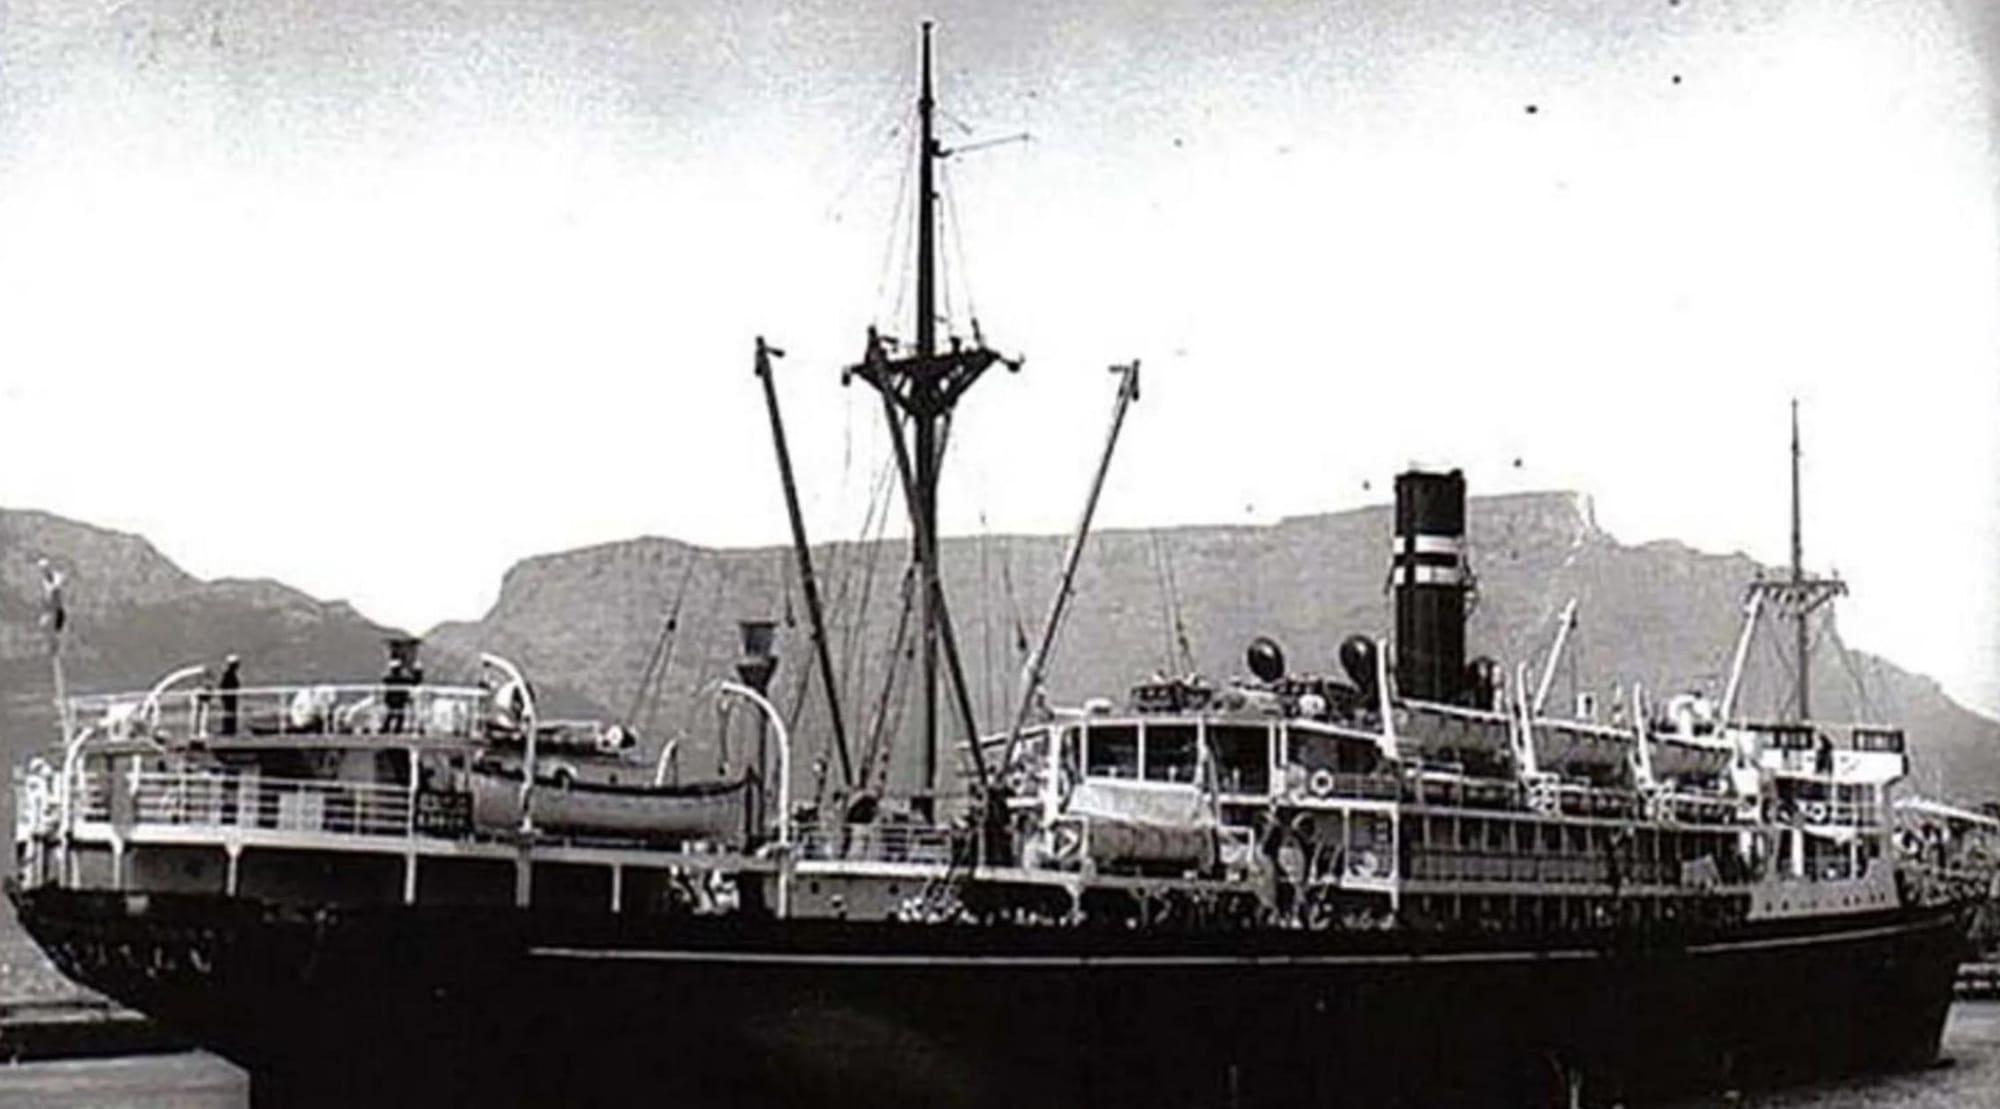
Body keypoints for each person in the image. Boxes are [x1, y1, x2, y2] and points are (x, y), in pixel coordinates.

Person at [382, 657, 412, 735]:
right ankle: (396, 729)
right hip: (399, 699)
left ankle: (386, 728)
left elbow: (385, 680)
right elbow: (413, 681)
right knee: (399, 715)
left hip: (392, 699)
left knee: (391, 714)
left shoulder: (389, 678)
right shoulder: (403, 678)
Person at [217, 655, 241, 737]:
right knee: (229, 713)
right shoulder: (228, 675)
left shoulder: (229, 674)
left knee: (230, 713)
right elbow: (225, 685)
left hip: (230, 697)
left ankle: (230, 729)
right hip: (229, 697)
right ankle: (228, 729)